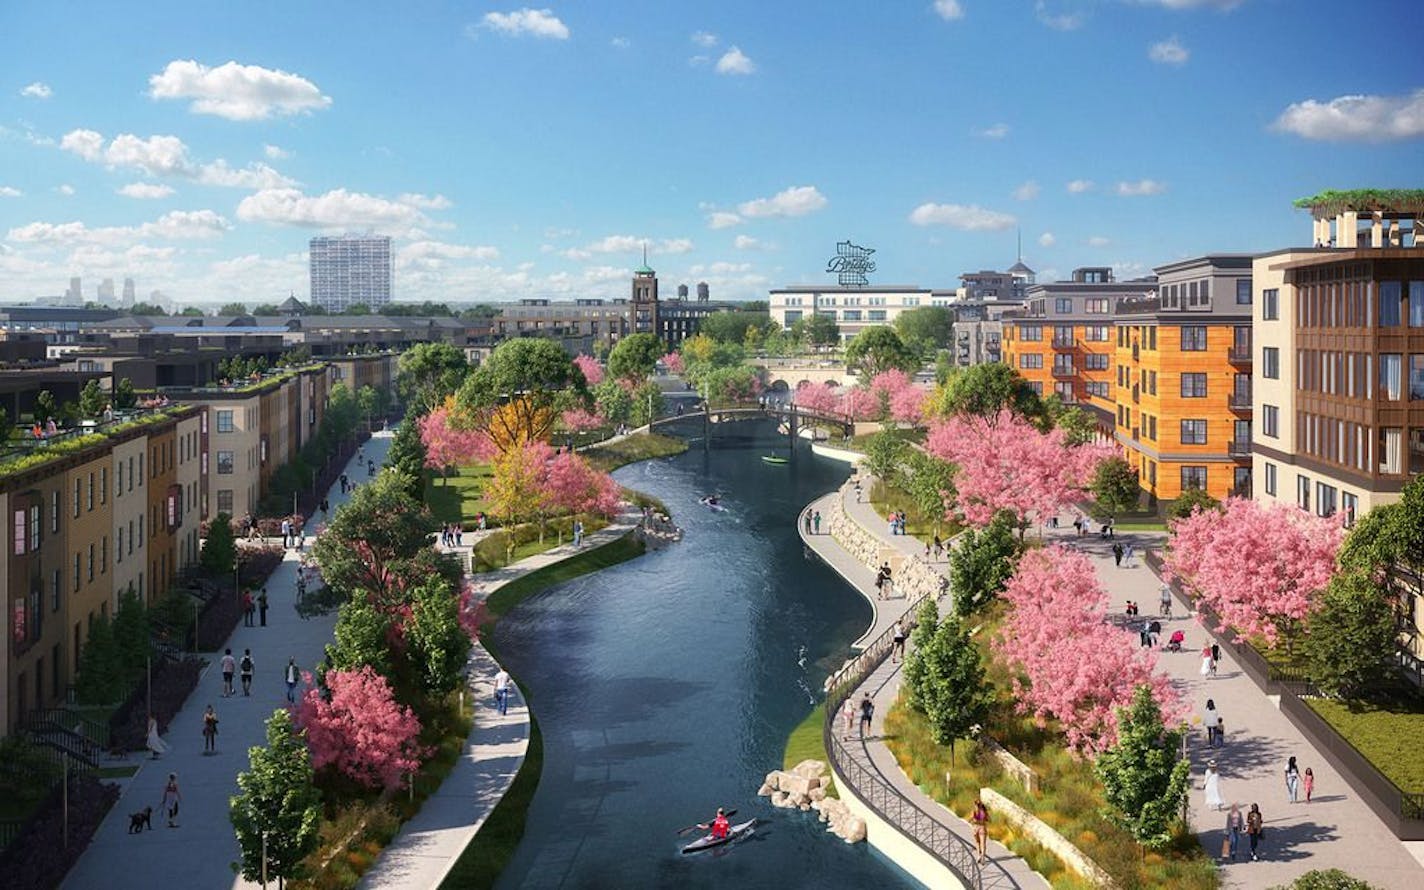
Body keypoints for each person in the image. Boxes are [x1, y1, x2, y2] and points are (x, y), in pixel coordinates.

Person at [970, 797, 990, 864]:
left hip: (976, 828)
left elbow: (972, 819)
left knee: (977, 842)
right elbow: (988, 819)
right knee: (983, 844)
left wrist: (973, 821)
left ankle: (978, 855)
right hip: (983, 828)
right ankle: (983, 857)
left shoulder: (974, 811)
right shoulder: (984, 812)